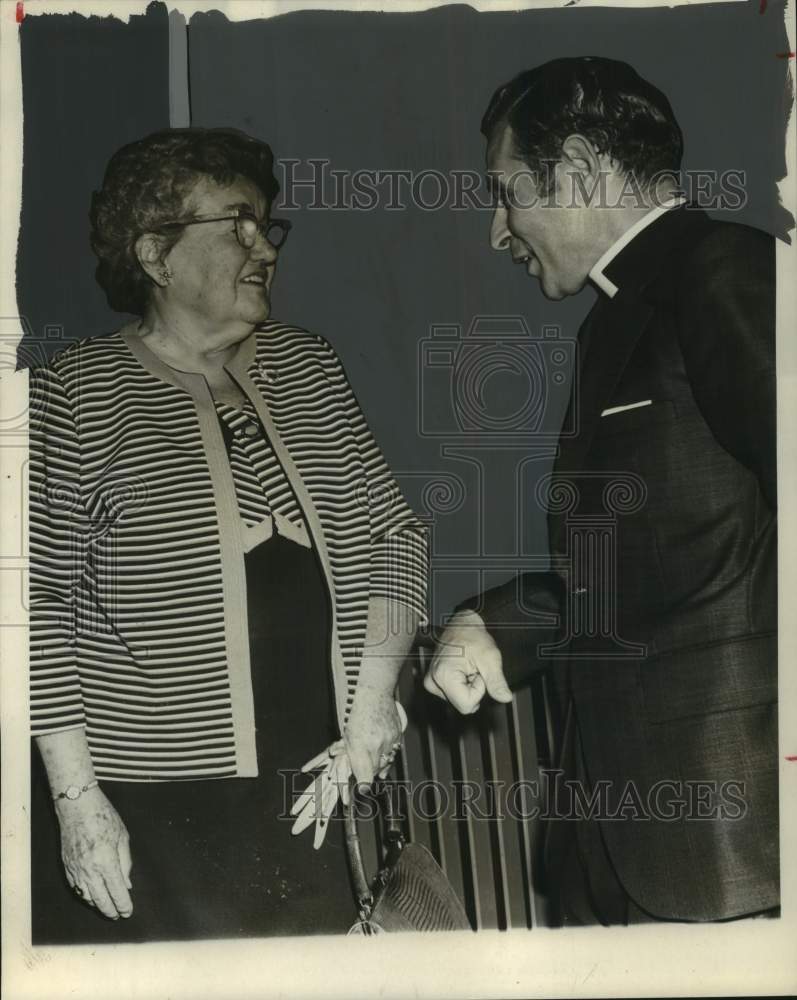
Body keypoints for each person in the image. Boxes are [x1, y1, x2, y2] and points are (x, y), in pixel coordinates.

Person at [29, 127, 428, 942]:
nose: (265, 250)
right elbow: (34, 601)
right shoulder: (70, 393)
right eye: (236, 227)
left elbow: (396, 535)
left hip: (316, 780)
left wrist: (371, 704)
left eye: (267, 228)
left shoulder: (307, 365)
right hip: (153, 807)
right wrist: (76, 800)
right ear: (155, 254)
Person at [425, 57, 778, 925]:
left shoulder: (725, 269)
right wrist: (496, 626)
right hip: (615, 844)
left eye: (506, 192)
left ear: (578, 170)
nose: (497, 230)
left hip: (738, 844)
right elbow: (666, 569)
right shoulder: (621, 316)